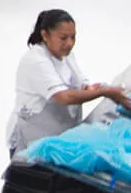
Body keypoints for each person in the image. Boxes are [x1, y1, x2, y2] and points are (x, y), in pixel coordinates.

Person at [7, 10, 131, 154]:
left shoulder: (65, 54)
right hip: (32, 138)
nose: (69, 43)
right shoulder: (36, 60)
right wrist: (105, 92)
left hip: (57, 138)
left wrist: (92, 88)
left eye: (73, 37)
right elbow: (63, 97)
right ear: (45, 35)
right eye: (63, 38)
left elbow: (80, 83)